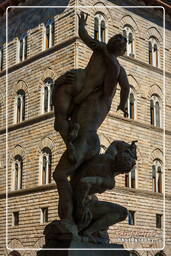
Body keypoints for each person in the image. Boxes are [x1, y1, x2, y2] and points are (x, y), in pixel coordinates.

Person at [53, 12, 130, 222]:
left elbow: (86, 37)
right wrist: (122, 104)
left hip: (83, 140)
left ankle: (69, 224)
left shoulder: (104, 55)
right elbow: (125, 88)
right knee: (78, 180)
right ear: (122, 51)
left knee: (60, 176)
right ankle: (82, 216)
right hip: (91, 141)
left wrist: (82, 26)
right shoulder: (113, 74)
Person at [70, 140, 137, 242]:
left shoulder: (107, 157)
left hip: (72, 190)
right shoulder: (109, 181)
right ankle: (88, 232)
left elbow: (116, 144)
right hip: (81, 203)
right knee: (123, 212)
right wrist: (81, 205)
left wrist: (130, 150)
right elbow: (85, 182)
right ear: (122, 172)